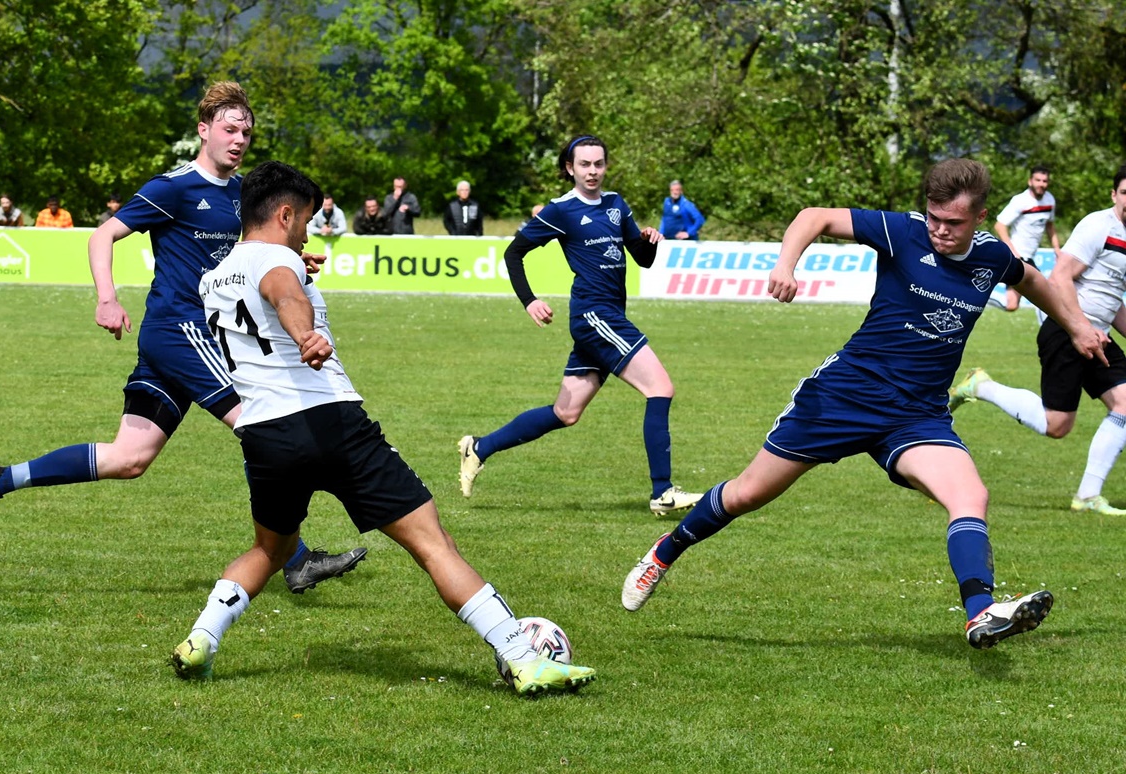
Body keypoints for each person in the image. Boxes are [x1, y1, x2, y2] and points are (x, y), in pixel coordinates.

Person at [620, 158, 1108, 650]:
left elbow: (1034, 281)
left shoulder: (992, 256)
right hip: (844, 396)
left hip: (917, 415)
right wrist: (785, 265)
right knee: (747, 494)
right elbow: (815, 216)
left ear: (980, 217)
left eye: (953, 223)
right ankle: (664, 552)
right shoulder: (902, 231)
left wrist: (1076, 327)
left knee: (970, 497)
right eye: (934, 217)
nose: (940, 230)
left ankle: (980, 613)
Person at [172, 160, 596, 695]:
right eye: (305, 220)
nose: (308, 233)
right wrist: (305, 335)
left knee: (270, 551)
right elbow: (284, 296)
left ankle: (202, 638)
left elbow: (269, 291)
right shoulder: (279, 264)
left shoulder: (216, 276)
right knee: (433, 543)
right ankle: (522, 656)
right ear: (283, 215)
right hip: (329, 420)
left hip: (263, 434)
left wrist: (294, 274)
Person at [0, 81, 364, 594]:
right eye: (229, 129)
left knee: (129, 458)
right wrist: (107, 298)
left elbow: (249, 254)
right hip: (181, 331)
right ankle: (295, 558)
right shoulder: (173, 188)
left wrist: (292, 260)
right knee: (261, 424)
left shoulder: (246, 194)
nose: (239, 140)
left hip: (197, 340)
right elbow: (103, 235)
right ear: (204, 130)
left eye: (246, 132)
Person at [457, 134, 702, 516]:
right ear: (570, 168)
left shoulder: (616, 204)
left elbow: (642, 258)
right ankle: (663, 491)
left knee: (565, 413)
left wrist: (650, 240)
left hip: (608, 315)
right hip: (594, 315)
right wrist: (530, 300)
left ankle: (479, 447)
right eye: (584, 164)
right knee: (660, 388)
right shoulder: (561, 210)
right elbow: (513, 253)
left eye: (598, 164)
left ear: (606, 166)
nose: (592, 171)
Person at [951, 164, 1126, 515]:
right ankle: (981, 386)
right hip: (1067, 330)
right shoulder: (1099, 226)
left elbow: (1112, 300)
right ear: (1114, 195)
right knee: (1056, 424)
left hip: (1098, 335)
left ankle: (1087, 496)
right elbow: (1060, 277)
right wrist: (1080, 327)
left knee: (1124, 405)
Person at [994, 166, 1061, 312]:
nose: (1041, 184)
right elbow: (1000, 225)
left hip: (1029, 256)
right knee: (1046, 295)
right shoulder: (1020, 201)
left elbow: (1050, 225)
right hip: (1019, 257)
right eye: (1038, 180)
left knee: (1012, 305)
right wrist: (1012, 250)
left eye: (1044, 181)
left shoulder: (1050, 200)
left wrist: (1057, 248)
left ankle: (982, 298)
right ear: (1030, 181)